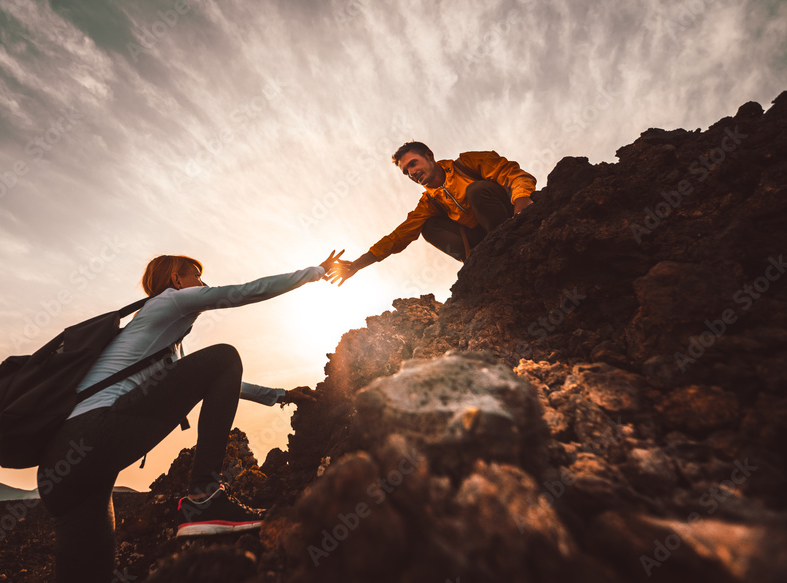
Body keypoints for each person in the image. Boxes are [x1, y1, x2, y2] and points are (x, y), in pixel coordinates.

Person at [37, 251, 340, 582]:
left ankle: (204, 497)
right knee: (225, 356)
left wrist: (282, 395)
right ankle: (204, 495)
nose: (203, 283)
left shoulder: (158, 338)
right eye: (196, 275)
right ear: (176, 280)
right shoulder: (170, 300)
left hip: (65, 468)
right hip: (93, 435)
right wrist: (315, 271)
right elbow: (246, 291)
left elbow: (224, 382)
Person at [329, 141, 536, 284]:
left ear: (429, 156)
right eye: (405, 172)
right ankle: (479, 262)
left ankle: (507, 242)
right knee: (428, 227)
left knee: (476, 190)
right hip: (482, 240)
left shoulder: (467, 163)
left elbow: (512, 174)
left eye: (413, 164)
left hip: (509, 218)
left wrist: (522, 200)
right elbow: (398, 237)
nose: (411, 173)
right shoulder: (429, 202)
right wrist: (357, 265)